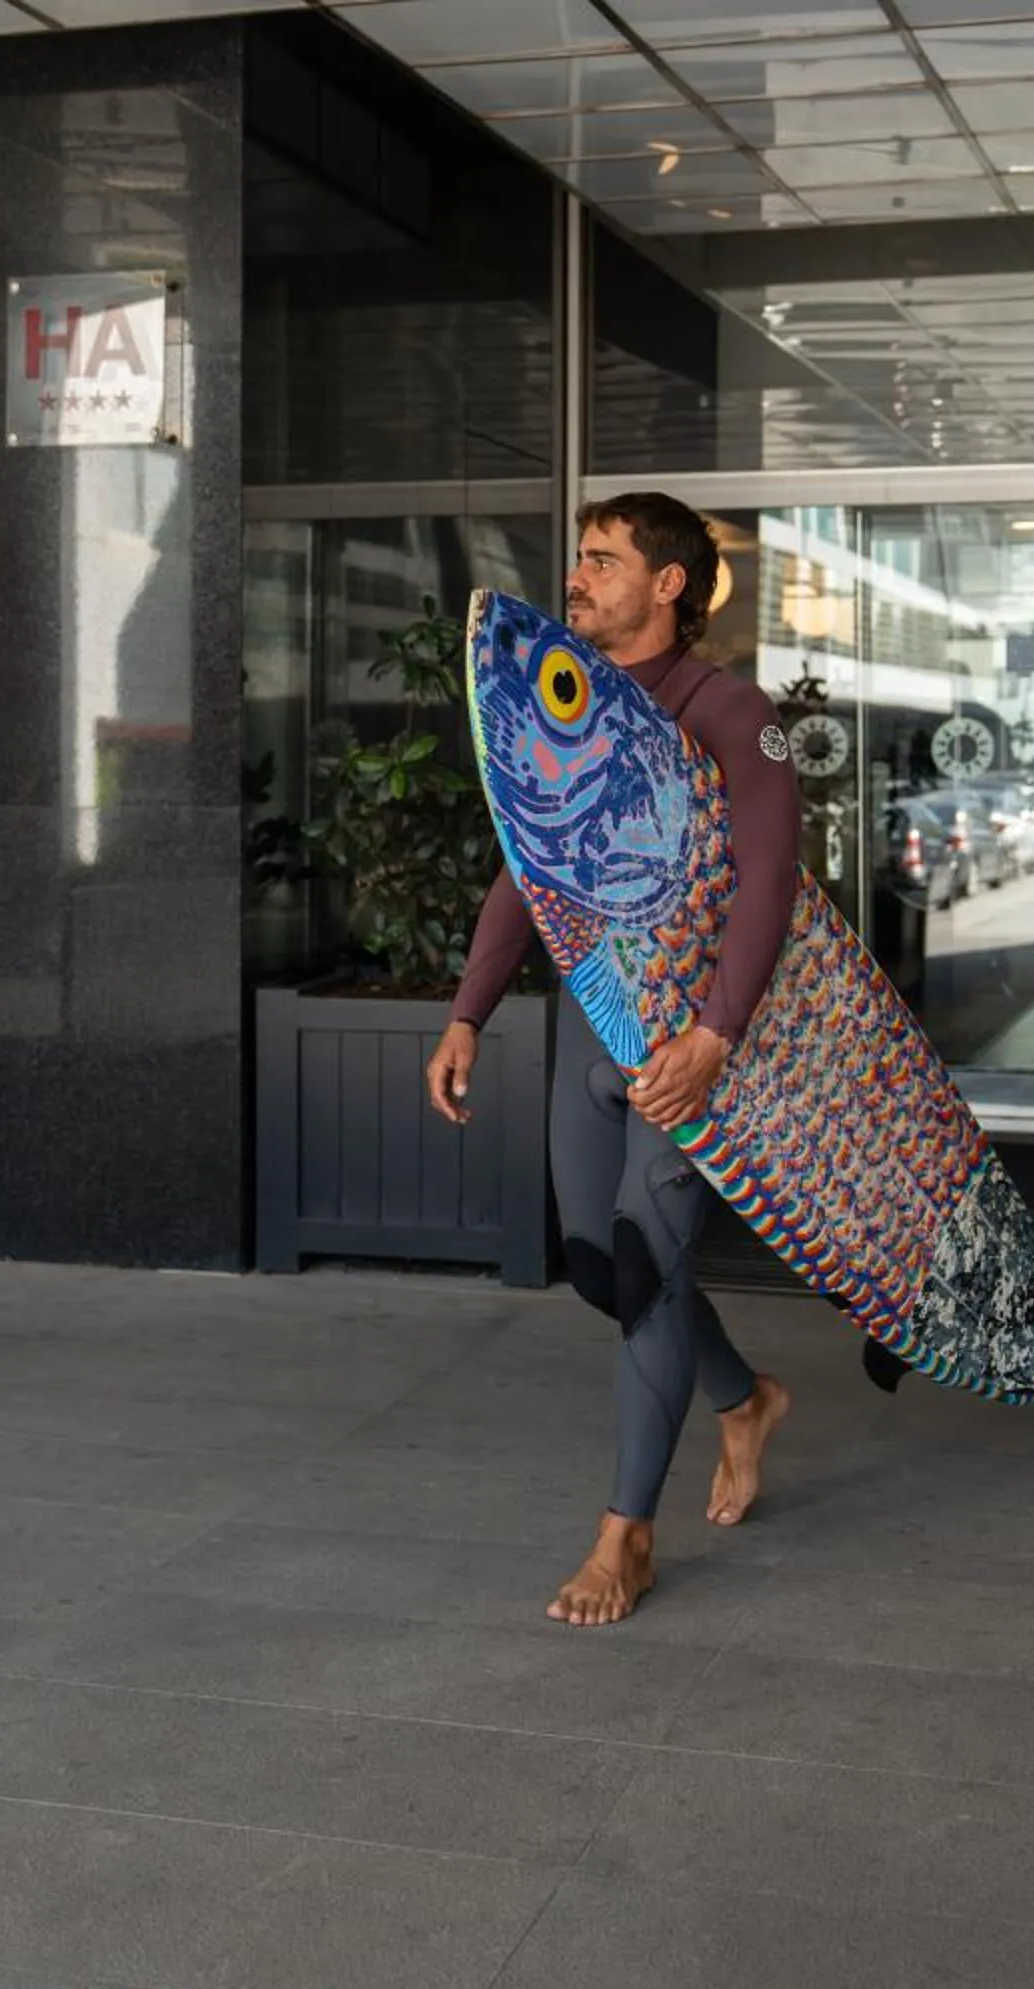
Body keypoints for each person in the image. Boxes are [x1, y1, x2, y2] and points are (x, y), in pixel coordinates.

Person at [425, 494, 800, 1630]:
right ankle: (747, 1396)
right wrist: (467, 1012)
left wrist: (715, 1034)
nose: (576, 578)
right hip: (590, 1036)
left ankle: (624, 1536)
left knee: (647, 1261)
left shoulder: (736, 715)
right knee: (601, 1268)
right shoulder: (568, 708)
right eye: (578, 559)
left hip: (689, 1048)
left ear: (670, 583)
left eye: (601, 560)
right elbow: (527, 869)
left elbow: (773, 881)